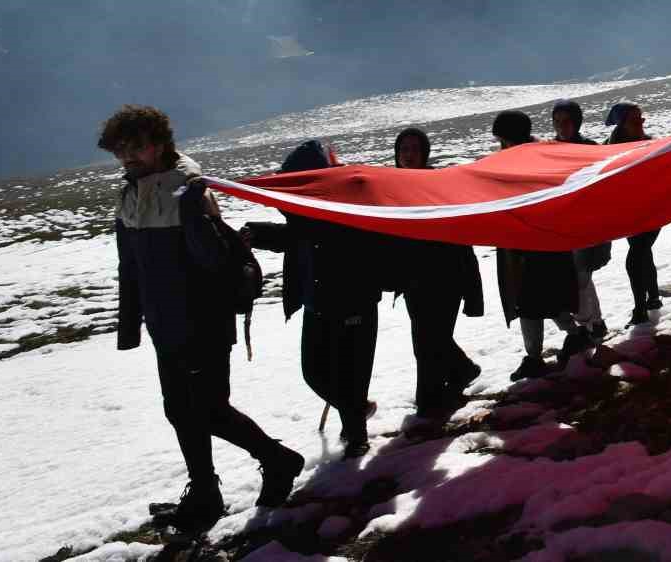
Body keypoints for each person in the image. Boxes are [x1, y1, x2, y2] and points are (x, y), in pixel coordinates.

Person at [101, 105, 302, 534]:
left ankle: (279, 460)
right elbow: (129, 265)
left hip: (201, 323)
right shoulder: (131, 193)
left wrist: (196, 214)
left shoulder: (188, 190)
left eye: (135, 146)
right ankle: (206, 494)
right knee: (179, 410)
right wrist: (131, 324)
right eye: (120, 149)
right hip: (164, 323)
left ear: (159, 144)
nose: (127, 156)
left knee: (208, 410)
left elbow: (212, 263)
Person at [242, 140, 382, 458]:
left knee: (351, 373)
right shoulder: (308, 210)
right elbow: (299, 235)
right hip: (317, 302)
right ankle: (356, 414)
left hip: (354, 299)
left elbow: (307, 235)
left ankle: (356, 433)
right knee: (317, 372)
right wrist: (260, 233)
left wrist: (261, 233)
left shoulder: (343, 206)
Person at [393, 127, 484, 419]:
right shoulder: (391, 188)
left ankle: (430, 400)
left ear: (424, 153)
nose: (408, 155)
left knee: (429, 339)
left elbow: (458, 234)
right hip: (413, 279)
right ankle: (461, 372)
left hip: (447, 276)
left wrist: (470, 285)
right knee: (429, 337)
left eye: (414, 149)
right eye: (403, 149)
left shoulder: (438, 185)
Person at [490, 110, 582, 381]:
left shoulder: (518, 159)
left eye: (502, 138)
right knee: (548, 300)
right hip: (542, 241)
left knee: (530, 302)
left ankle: (535, 357)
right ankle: (575, 337)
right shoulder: (542, 154)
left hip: (528, 243)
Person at [551, 99, 610, 344]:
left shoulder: (590, 149)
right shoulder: (548, 151)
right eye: (557, 122)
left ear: (577, 122)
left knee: (581, 278)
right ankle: (595, 323)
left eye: (567, 121)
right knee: (578, 278)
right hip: (561, 225)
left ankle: (587, 328)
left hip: (586, 225)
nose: (562, 127)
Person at [604, 102, 663, 325]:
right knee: (642, 251)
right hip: (629, 213)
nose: (640, 124)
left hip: (652, 211)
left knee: (636, 255)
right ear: (622, 124)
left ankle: (640, 309)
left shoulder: (649, 145)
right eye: (634, 121)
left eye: (641, 119)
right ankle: (654, 298)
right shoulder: (608, 150)